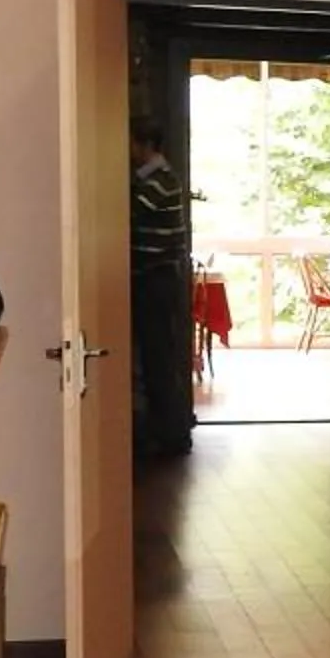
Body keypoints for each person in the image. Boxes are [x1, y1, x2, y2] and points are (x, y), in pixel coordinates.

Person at [131, 124, 194, 459]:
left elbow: (125, 214)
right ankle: (169, 429)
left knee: (158, 357)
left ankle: (173, 433)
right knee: (156, 356)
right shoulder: (154, 178)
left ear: (144, 143)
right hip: (156, 278)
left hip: (156, 279)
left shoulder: (157, 181)